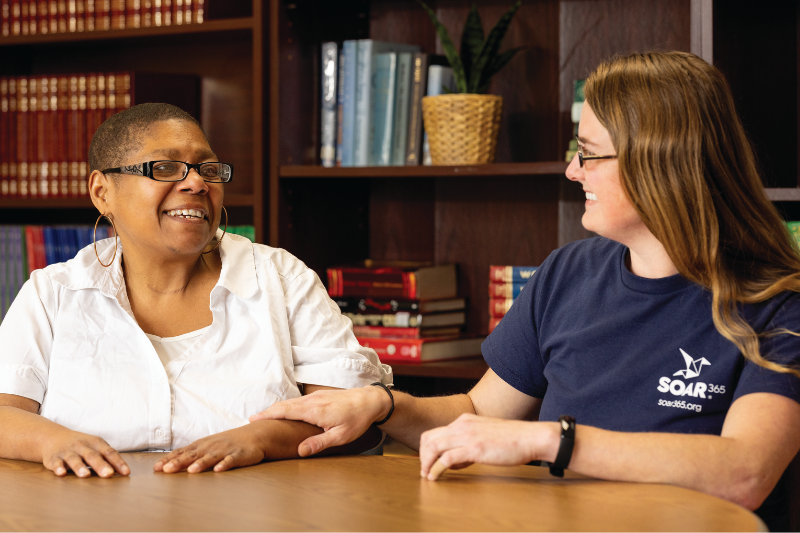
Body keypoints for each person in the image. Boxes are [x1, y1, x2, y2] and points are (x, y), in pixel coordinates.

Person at [251, 51, 800, 530]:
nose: (570, 170)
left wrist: (549, 442)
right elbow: (479, 414)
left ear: (660, 159)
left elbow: (745, 471)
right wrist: (384, 407)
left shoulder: (779, 303)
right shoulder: (568, 273)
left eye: (587, 153)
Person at [0, 103, 391, 479]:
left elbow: (353, 417)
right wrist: (54, 441)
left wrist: (261, 439)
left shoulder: (282, 279)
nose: (197, 183)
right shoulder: (52, 293)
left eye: (208, 169)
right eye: (166, 167)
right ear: (103, 192)